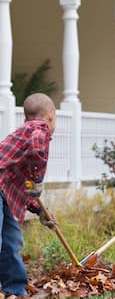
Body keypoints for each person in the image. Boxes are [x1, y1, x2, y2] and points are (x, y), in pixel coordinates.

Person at [0, 93, 57, 298]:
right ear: (51, 116)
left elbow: (18, 187)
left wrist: (40, 211)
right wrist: (38, 179)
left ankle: (14, 289)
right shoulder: (39, 129)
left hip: (3, 191)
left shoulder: (25, 131)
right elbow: (36, 147)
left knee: (11, 241)